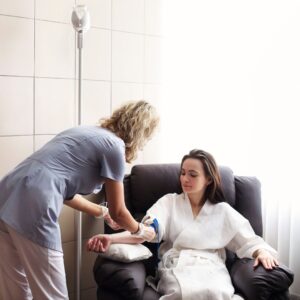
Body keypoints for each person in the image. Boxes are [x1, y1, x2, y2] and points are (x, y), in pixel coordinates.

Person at [0, 100, 159, 300]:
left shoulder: (84, 132)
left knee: (15, 289)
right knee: (52, 294)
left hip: (7, 193)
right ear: (143, 133)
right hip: (35, 202)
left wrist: (102, 212)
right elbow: (119, 211)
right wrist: (141, 231)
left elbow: (63, 189)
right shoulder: (115, 148)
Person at [87, 149, 279, 300]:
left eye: (193, 175)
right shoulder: (169, 202)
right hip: (177, 264)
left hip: (211, 267)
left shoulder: (222, 211)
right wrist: (110, 238)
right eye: (183, 173)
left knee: (216, 292)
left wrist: (261, 252)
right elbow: (146, 232)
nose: (185, 179)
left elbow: (249, 240)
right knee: (182, 293)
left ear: (209, 179)